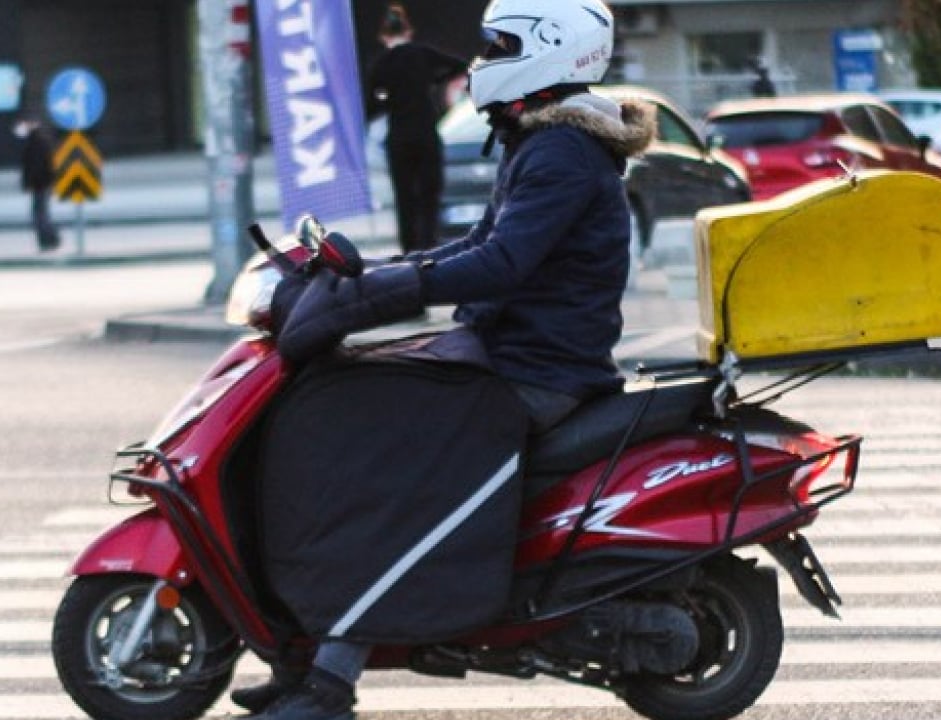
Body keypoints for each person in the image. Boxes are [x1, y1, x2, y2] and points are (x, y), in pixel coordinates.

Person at [235, 1, 655, 718]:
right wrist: (382, 275)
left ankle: (331, 681)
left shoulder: (560, 150)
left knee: (385, 466)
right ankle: (301, 650)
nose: (483, 57)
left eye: (501, 43)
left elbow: (502, 262)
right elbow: (474, 245)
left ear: (552, 49)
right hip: (510, 353)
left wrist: (391, 290)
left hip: (538, 371)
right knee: (350, 410)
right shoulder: (543, 139)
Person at [365, 3, 467, 254]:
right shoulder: (422, 53)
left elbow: (371, 104)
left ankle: (409, 249)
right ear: (409, 32)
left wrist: (389, 100)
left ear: (384, 36)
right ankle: (430, 246)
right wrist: (433, 82)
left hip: (399, 137)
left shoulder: (381, 63)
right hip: (425, 133)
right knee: (429, 194)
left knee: (405, 197)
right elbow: (459, 64)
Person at [15, 117, 61, 252]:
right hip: (43, 184)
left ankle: (48, 241)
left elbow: (34, 167)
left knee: (39, 215)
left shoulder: (34, 144)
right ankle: (50, 240)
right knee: (41, 214)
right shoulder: (38, 142)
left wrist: (29, 183)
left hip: (40, 184)